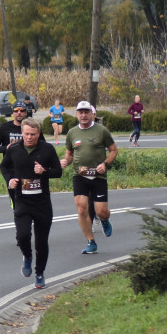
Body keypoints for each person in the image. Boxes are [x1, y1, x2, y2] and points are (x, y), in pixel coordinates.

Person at [0, 119, 63, 289]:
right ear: (22, 133)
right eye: (26, 134)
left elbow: (58, 172)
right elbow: (4, 167)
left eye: (33, 134)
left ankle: (40, 273)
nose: (29, 137)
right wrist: (10, 180)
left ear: (38, 134)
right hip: (22, 201)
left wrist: (44, 171)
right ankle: (27, 256)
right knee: (22, 236)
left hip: (42, 203)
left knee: (41, 243)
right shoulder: (14, 149)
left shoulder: (47, 149)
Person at [61, 100, 118, 255]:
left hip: (98, 176)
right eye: (81, 112)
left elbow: (113, 150)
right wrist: (65, 161)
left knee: (101, 211)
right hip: (79, 175)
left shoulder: (102, 131)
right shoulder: (72, 133)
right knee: (81, 209)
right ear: (76, 114)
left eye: (87, 112)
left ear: (92, 114)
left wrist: (105, 164)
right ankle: (91, 242)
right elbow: (69, 154)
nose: (84, 115)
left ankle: (104, 220)